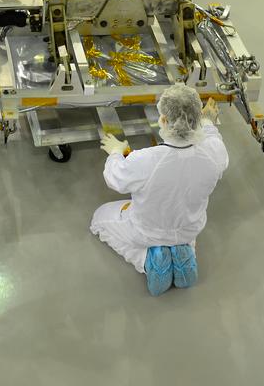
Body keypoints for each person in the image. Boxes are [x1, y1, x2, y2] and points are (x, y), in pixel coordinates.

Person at [90, 84, 229, 296]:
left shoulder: (146, 160)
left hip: (146, 232)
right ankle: (185, 251)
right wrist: (209, 121)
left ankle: (147, 261)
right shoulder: (214, 155)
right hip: (188, 229)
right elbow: (212, 138)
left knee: (99, 219)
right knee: (180, 231)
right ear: (196, 120)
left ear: (163, 120)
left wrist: (115, 152)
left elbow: (115, 179)